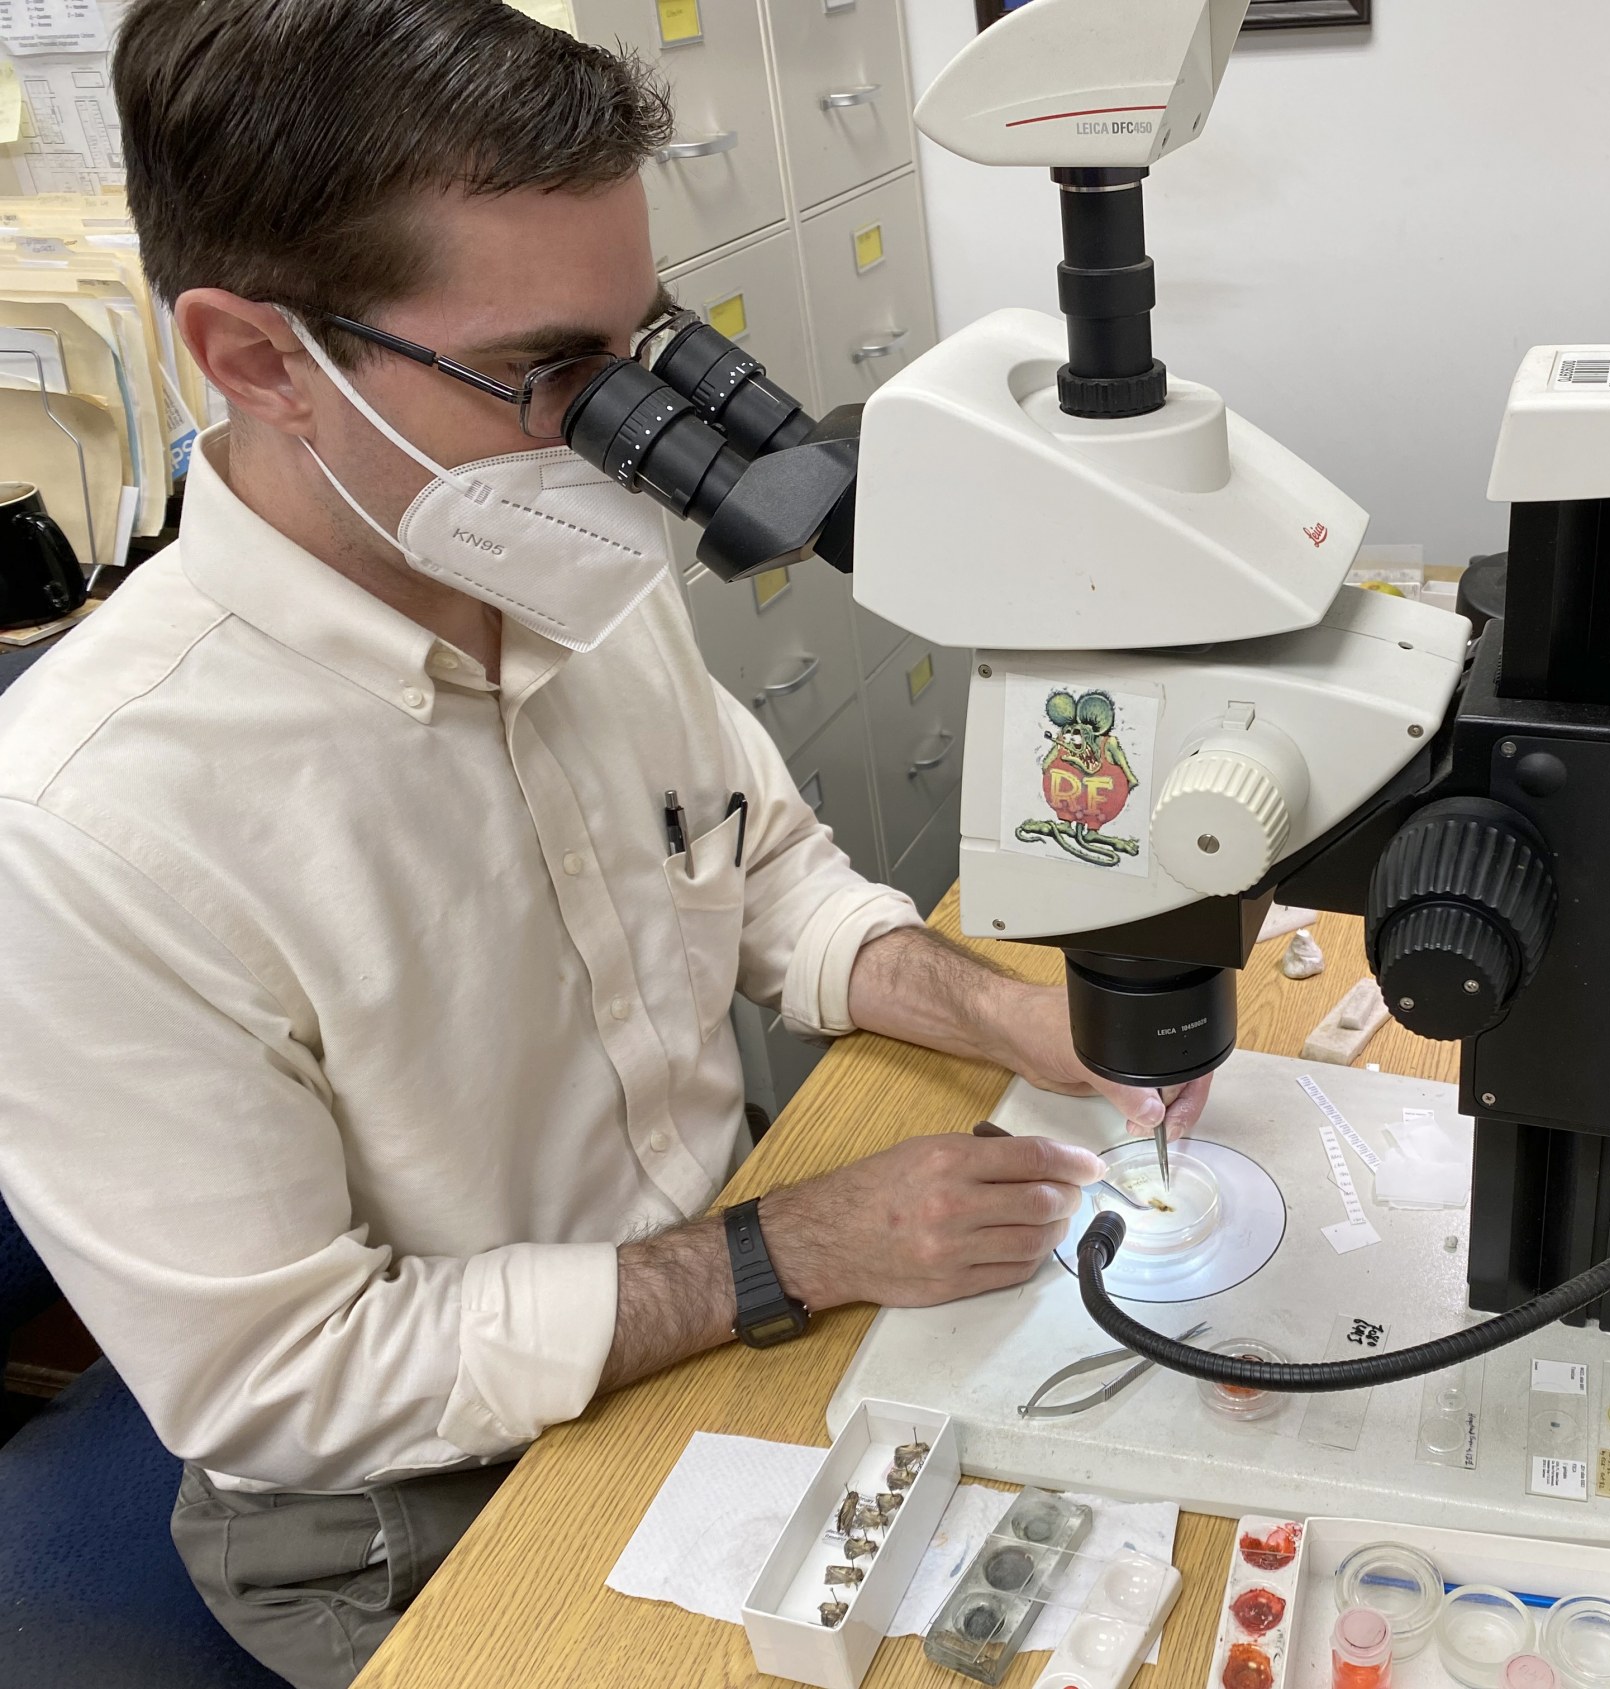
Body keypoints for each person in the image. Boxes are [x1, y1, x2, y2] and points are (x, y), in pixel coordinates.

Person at [0, 3, 1210, 1683]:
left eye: (641, 349)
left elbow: (766, 872)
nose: (621, 437)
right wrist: (790, 1251)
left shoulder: (544, 561)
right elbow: (284, 1378)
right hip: (412, 1490)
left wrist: (1018, 1015)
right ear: (262, 357)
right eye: (544, 372)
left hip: (723, 1285)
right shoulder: (83, 825)